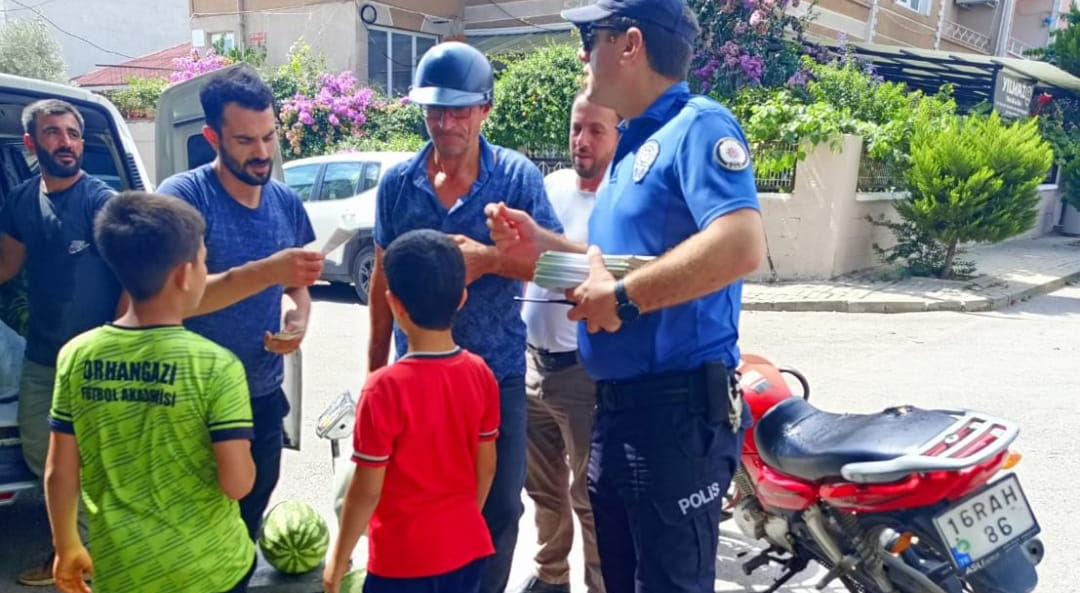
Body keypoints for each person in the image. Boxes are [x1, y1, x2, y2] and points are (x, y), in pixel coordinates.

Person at [484, 0, 767, 590]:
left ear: (631, 44)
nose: (583, 53)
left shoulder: (699, 125)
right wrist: (543, 246)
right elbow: (609, 270)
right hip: (618, 410)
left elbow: (740, 243)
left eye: (592, 36)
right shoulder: (633, 143)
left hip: (674, 415)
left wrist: (626, 298)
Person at [367, 42, 562, 593]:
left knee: (499, 510)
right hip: (417, 381)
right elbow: (382, 281)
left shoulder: (517, 178)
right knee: (417, 505)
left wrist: (491, 260)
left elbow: (553, 264)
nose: (446, 123)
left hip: (494, 375)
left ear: (485, 110)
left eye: (459, 110)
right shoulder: (397, 186)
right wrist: (375, 373)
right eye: (435, 110)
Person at [45, 191, 256, 593]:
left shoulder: (76, 355)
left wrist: (66, 543)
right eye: (204, 261)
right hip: (211, 569)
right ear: (183, 274)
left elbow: (60, 470)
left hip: (123, 569)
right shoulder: (216, 365)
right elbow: (237, 484)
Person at [156, 68, 321, 539]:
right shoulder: (182, 200)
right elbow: (172, 301)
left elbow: (297, 288)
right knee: (190, 532)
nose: (263, 152)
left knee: (247, 523)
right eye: (246, 140)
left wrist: (298, 319)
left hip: (262, 395)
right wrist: (268, 271)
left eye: (269, 136)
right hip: (190, 401)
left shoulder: (287, 203)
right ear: (212, 137)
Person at [324, 229, 499, 593]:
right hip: (467, 549)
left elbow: (365, 491)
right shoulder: (481, 373)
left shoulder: (383, 388)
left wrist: (339, 561)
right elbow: (487, 466)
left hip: (402, 563)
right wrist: (460, 524)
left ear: (394, 304)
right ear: (462, 297)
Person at [0, 99, 122, 586]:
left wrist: (115, 342)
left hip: (95, 356)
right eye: (53, 133)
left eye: (73, 133)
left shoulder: (100, 202)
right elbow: (7, 265)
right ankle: (76, 548)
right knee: (40, 450)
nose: (66, 142)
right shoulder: (21, 201)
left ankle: (79, 556)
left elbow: (132, 276)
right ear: (31, 143)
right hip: (43, 353)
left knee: (94, 456)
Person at [515, 94, 618, 593]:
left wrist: (540, 257)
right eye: (578, 128)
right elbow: (522, 256)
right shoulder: (550, 187)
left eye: (596, 130)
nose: (582, 140)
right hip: (532, 364)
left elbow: (604, 275)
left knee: (589, 494)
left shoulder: (619, 202)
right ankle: (551, 574)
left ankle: (600, 583)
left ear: (618, 136)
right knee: (543, 488)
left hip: (584, 374)